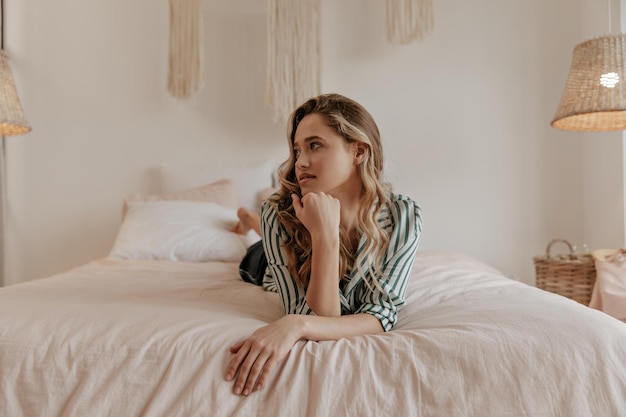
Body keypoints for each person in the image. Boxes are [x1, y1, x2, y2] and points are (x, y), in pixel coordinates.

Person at [225, 93, 423, 396]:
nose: (300, 162)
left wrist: (296, 325)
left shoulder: (402, 215)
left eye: (314, 145)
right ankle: (250, 221)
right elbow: (320, 317)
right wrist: (324, 236)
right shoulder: (278, 213)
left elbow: (379, 315)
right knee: (257, 253)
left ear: (358, 151)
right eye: (297, 149)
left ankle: (246, 219)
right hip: (265, 264)